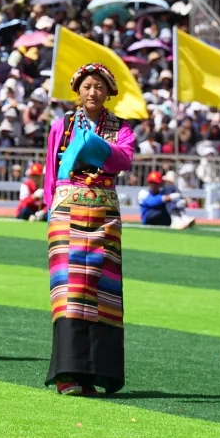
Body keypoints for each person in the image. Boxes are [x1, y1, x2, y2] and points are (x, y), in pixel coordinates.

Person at [43, 63, 135, 396]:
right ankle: (69, 374)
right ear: (77, 91)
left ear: (109, 93)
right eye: (87, 86)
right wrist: (48, 208)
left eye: (99, 87)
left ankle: (98, 373)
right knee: (68, 293)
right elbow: (51, 173)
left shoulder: (121, 128)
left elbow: (123, 161)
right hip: (65, 213)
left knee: (102, 292)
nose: (92, 92)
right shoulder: (61, 126)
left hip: (104, 217)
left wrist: (92, 145)